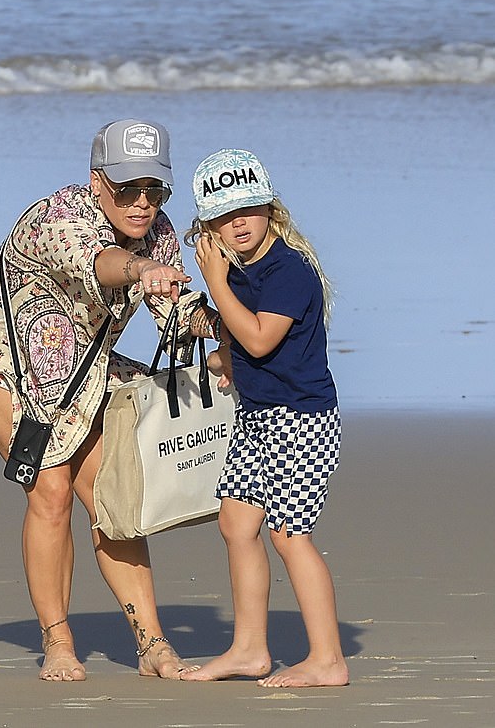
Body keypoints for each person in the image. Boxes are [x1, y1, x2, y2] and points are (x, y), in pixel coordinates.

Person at [0, 119, 220, 682]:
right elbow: (105, 265)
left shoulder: (159, 232)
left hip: (82, 365)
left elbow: (171, 311)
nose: (143, 205)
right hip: (0, 354)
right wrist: (144, 268)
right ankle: (58, 642)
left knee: (112, 498)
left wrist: (215, 325)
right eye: (128, 190)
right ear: (98, 183)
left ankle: (151, 644)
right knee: (50, 488)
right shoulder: (60, 218)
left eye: (155, 190)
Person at [179, 148, 349, 688]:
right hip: (259, 420)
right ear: (209, 227)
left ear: (271, 209)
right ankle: (250, 649)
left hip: (305, 421)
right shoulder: (241, 270)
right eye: (226, 217)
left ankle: (327, 659)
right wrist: (218, 353)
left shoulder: (287, 271)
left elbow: (259, 336)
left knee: (290, 535)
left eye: (249, 209)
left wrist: (216, 284)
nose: (239, 223)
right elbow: (246, 348)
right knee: (236, 523)